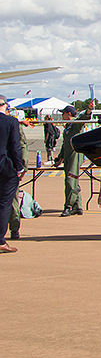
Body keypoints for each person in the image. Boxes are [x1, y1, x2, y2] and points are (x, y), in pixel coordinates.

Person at [53, 101, 92, 216]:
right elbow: (65, 145)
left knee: (70, 181)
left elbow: (84, 118)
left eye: (63, 113)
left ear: (69, 114)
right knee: (73, 181)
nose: (62, 116)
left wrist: (88, 110)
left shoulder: (75, 124)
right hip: (68, 156)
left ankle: (68, 206)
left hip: (75, 156)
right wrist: (60, 158)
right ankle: (77, 206)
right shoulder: (68, 127)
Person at [0, 95, 25, 253]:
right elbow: (15, 147)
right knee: (4, 204)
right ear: (5, 105)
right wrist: (19, 167)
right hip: (6, 168)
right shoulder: (10, 122)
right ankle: (0, 240)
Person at [5, 101, 29, 241]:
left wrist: (22, 167)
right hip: (9, 167)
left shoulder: (13, 124)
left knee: (12, 199)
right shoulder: (12, 124)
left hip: (9, 168)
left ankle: (14, 229)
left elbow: (20, 147)